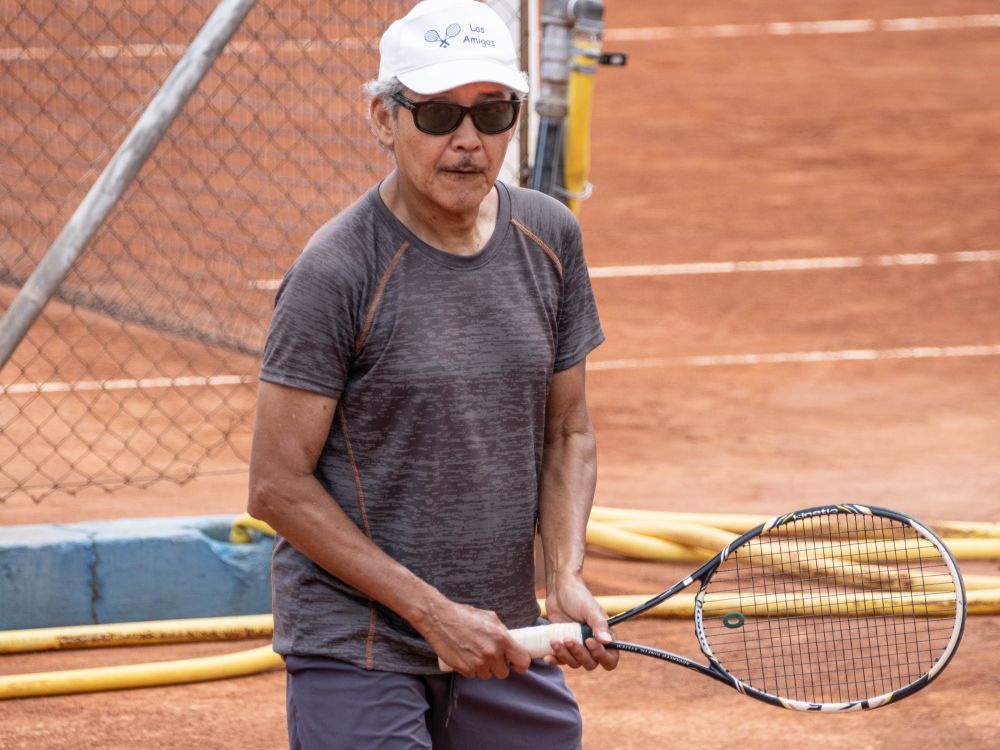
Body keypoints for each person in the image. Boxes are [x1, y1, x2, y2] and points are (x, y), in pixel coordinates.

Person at [248, 1, 617, 747]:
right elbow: (276, 485)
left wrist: (564, 575)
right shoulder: (337, 271)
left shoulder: (550, 235)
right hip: (361, 644)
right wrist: (435, 616)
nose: (468, 140)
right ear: (384, 119)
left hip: (501, 636)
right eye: (439, 114)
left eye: (493, 112)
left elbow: (568, 431)